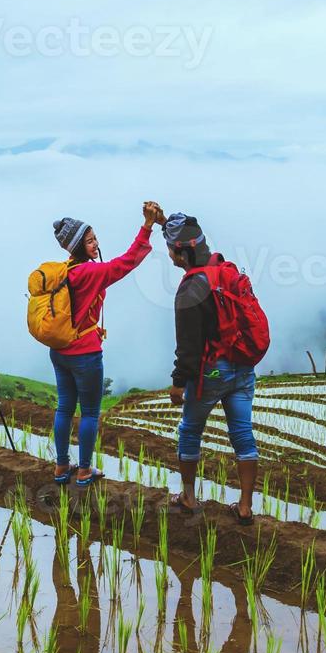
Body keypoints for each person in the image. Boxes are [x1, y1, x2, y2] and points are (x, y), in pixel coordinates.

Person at [48, 201, 165, 487]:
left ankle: (62, 466)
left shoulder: (65, 271)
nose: (96, 243)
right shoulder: (90, 272)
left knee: (64, 407)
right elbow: (126, 263)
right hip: (85, 354)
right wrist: (147, 227)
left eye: (95, 238)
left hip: (59, 350)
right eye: (89, 240)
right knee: (89, 412)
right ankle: (85, 469)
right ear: (76, 246)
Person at [162, 213, 260, 524]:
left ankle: (189, 499)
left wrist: (178, 383)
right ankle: (244, 507)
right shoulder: (223, 269)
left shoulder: (191, 289)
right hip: (243, 367)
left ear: (181, 252)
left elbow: (188, 347)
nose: (168, 254)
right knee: (243, 434)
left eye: (169, 249)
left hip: (213, 371)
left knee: (190, 431)